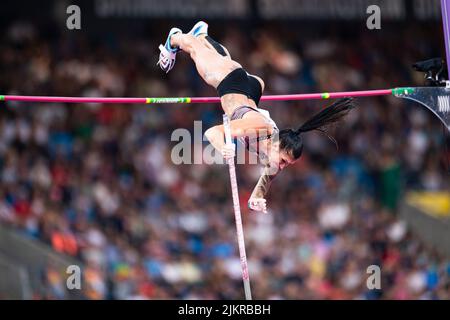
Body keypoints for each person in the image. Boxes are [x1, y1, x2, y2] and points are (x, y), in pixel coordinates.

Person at [158, 21, 356, 213]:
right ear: (278, 145)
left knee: (221, 60)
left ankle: (202, 34)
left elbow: (264, 183)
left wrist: (256, 199)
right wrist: (224, 148)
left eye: (286, 164)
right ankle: (174, 39)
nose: (282, 166)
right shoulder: (257, 128)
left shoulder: (276, 155)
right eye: (284, 161)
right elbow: (212, 133)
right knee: (194, 51)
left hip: (250, 90)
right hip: (230, 82)